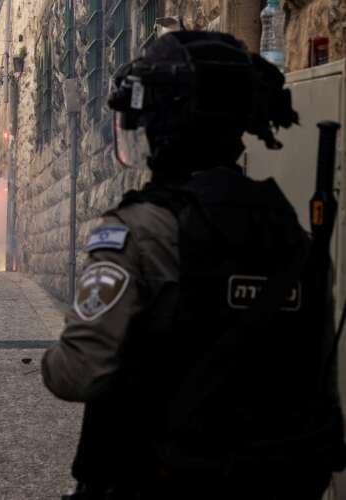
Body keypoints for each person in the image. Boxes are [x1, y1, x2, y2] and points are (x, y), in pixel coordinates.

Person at [42, 31, 346, 499]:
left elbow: (77, 373)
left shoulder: (140, 231)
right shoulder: (295, 236)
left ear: (162, 125)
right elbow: (317, 376)